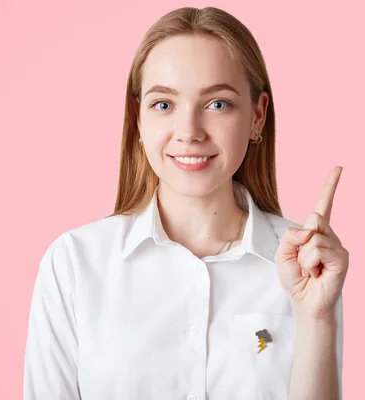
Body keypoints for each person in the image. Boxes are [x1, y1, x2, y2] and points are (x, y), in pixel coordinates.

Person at [23, 6, 348, 400]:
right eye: (164, 104)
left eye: (218, 104)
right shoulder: (75, 264)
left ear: (257, 116)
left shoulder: (303, 267)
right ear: (138, 118)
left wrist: (316, 317)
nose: (189, 132)